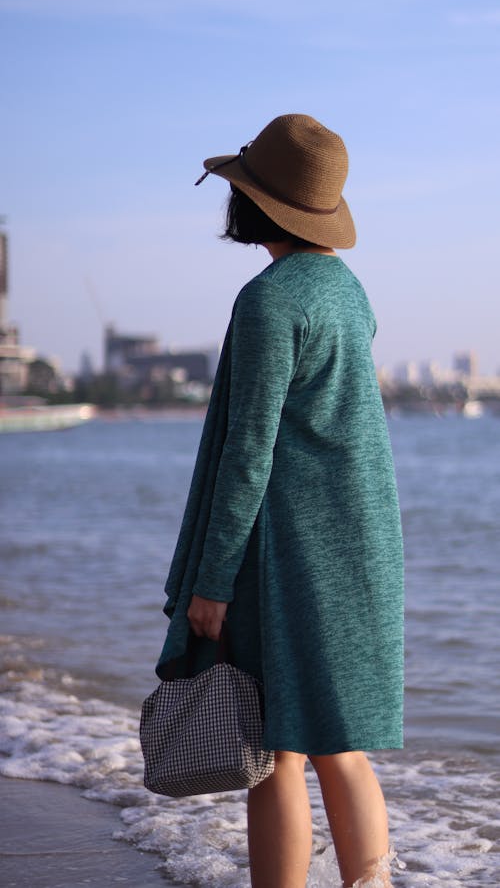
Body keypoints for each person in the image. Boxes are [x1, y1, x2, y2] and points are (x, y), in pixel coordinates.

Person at [155, 114, 404, 888]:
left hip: (290, 557)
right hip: (361, 543)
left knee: (277, 755)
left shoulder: (268, 301)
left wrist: (211, 579)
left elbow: (247, 452)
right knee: (340, 745)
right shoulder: (347, 291)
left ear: (254, 204)